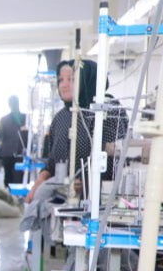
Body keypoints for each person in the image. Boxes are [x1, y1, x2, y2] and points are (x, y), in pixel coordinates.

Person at [27, 59, 127, 203]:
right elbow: (52, 162)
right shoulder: (60, 118)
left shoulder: (107, 110)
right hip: (61, 197)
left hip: (98, 200)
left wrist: (85, 181)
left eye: (72, 79)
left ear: (88, 79)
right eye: (61, 80)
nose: (64, 85)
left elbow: (114, 160)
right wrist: (39, 182)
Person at [0, 95, 28, 185]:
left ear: (9, 105)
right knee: (18, 175)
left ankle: (9, 191)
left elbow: (0, 134)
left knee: (8, 175)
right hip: (20, 151)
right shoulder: (25, 117)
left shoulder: (4, 119)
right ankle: (17, 192)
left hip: (7, 152)